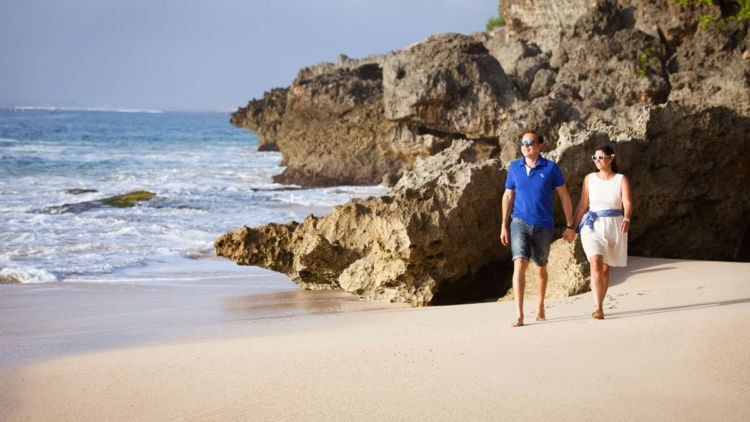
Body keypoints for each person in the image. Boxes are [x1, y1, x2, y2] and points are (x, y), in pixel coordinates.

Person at [501, 130, 575, 327]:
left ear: (540, 145)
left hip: (543, 224)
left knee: (540, 267)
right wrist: (503, 225)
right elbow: (508, 196)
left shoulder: (550, 168)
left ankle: (540, 305)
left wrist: (570, 225)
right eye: (523, 142)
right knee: (519, 263)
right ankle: (519, 314)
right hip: (519, 222)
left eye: (530, 143)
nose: (526, 146)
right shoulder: (514, 167)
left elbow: (564, 196)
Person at [573, 145, 633, 320]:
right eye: (595, 158)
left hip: (614, 224)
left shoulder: (621, 179)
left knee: (606, 268)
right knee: (596, 261)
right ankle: (598, 307)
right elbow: (583, 205)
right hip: (592, 225)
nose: (597, 161)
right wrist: (572, 227)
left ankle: (600, 302)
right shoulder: (589, 179)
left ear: (611, 158)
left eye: (600, 157)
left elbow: (627, 202)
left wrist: (627, 218)